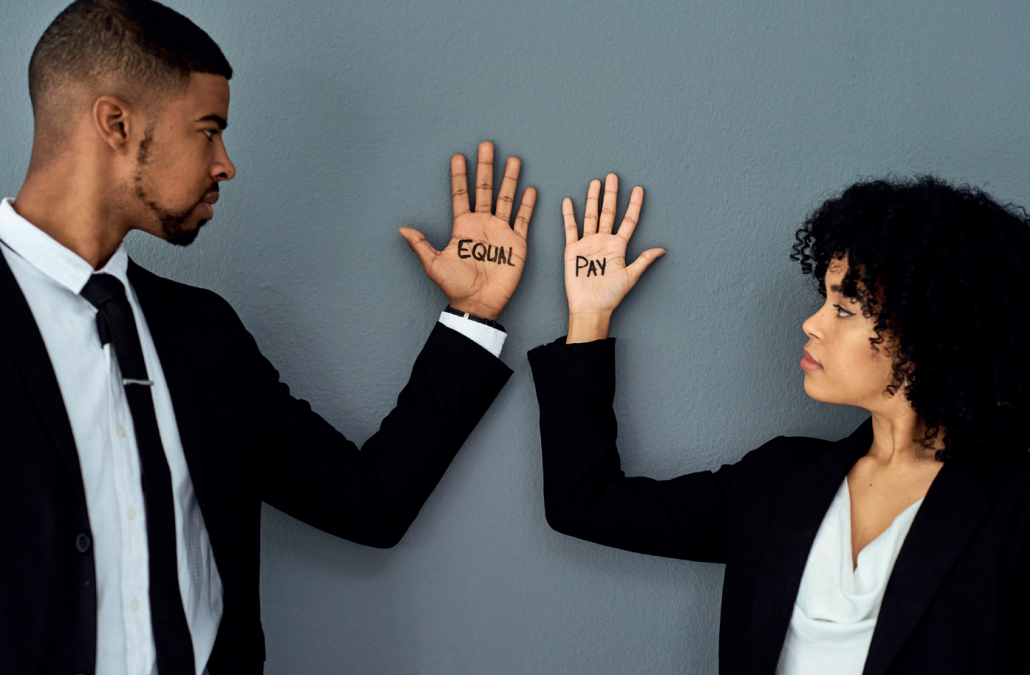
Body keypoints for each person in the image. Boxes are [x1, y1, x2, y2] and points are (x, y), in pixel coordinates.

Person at [0, 1, 536, 673]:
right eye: (208, 130)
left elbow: (368, 503)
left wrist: (473, 313)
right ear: (116, 123)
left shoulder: (205, 334)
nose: (225, 164)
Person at [528, 173, 1030, 674]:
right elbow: (585, 503)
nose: (812, 323)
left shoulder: (1015, 509)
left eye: (843, 309)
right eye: (824, 300)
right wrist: (589, 316)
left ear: (931, 332)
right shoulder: (776, 480)